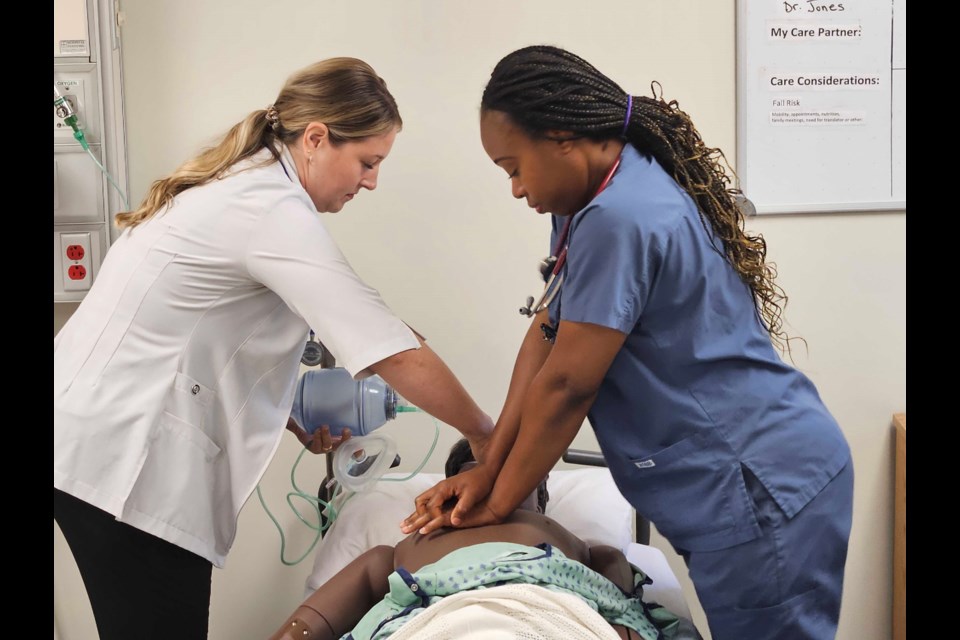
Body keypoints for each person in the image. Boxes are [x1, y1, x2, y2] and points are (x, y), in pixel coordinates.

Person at [401, 45, 854, 640]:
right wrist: (490, 465)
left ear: (562, 135)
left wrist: (496, 500)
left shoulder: (622, 216)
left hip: (759, 482)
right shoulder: (588, 201)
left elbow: (568, 385)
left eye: (513, 167)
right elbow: (547, 331)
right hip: (736, 480)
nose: (513, 188)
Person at [53, 58, 493, 640]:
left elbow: (209, 329)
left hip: (95, 436)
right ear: (316, 139)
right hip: (125, 458)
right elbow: (388, 343)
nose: (370, 182)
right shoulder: (269, 209)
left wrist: (286, 413)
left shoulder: (243, 187)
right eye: (368, 161)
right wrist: (489, 436)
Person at [269, 440, 700, 640]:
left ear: (541, 498)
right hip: (435, 620)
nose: (485, 484)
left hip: (550, 610)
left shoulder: (564, 539)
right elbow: (324, 613)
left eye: (510, 477)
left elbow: (613, 580)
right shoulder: (400, 551)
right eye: (471, 473)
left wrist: (625, 626)